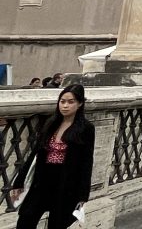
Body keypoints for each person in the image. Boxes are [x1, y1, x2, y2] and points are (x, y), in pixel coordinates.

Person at [11, 84, 95, 229]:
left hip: (66, 184)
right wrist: (19, 182)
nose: (65, 106)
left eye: (71, 102)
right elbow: (35, 154)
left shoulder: (86, 128)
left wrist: (83, 195)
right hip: (41, 181)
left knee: (57, 223)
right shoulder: (51, 123)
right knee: (25, 220)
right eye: (62, 101)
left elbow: (86, 162)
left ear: (80, 104)